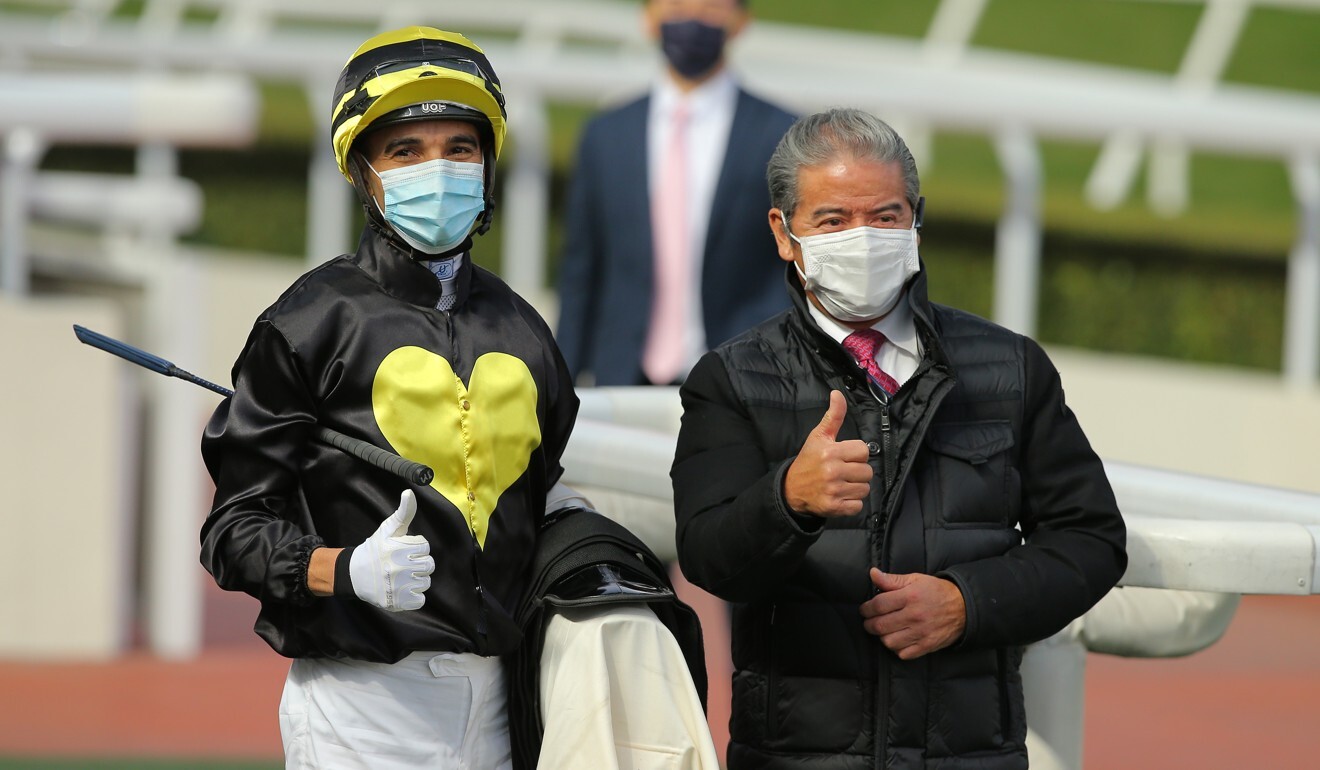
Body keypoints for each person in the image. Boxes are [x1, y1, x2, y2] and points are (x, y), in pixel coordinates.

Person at [671, 108, 1128, 769]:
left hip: (971, 755)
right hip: (796, 757)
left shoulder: (1009, 370)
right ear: (784, 232)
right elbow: (710, 559)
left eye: (884, 217)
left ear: (916, 219)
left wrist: (967, 603)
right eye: (832, 220)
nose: (863, 238)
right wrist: (788, 501)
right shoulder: (733, 379)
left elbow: (1090, 540)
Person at [199, 26, 582, 768]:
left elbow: (542, 495)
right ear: (363, 174)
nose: (436, 169)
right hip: (361, 706)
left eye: (459, 148)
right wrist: (340, 570)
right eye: (405, 150)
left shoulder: (525, 329)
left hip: (505, 702)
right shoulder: (307, 322)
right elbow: (231, 533)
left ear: (488, 166)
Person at [555, 0, 796, 386]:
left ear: (740, 20)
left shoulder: (782, 135)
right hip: (621, 374)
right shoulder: (606, 135)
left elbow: (795, 268)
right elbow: (582, 269)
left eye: (711, 5)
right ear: (649, 17)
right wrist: (559, 384)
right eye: (678, 3)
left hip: (746, 378)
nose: (693, 16)